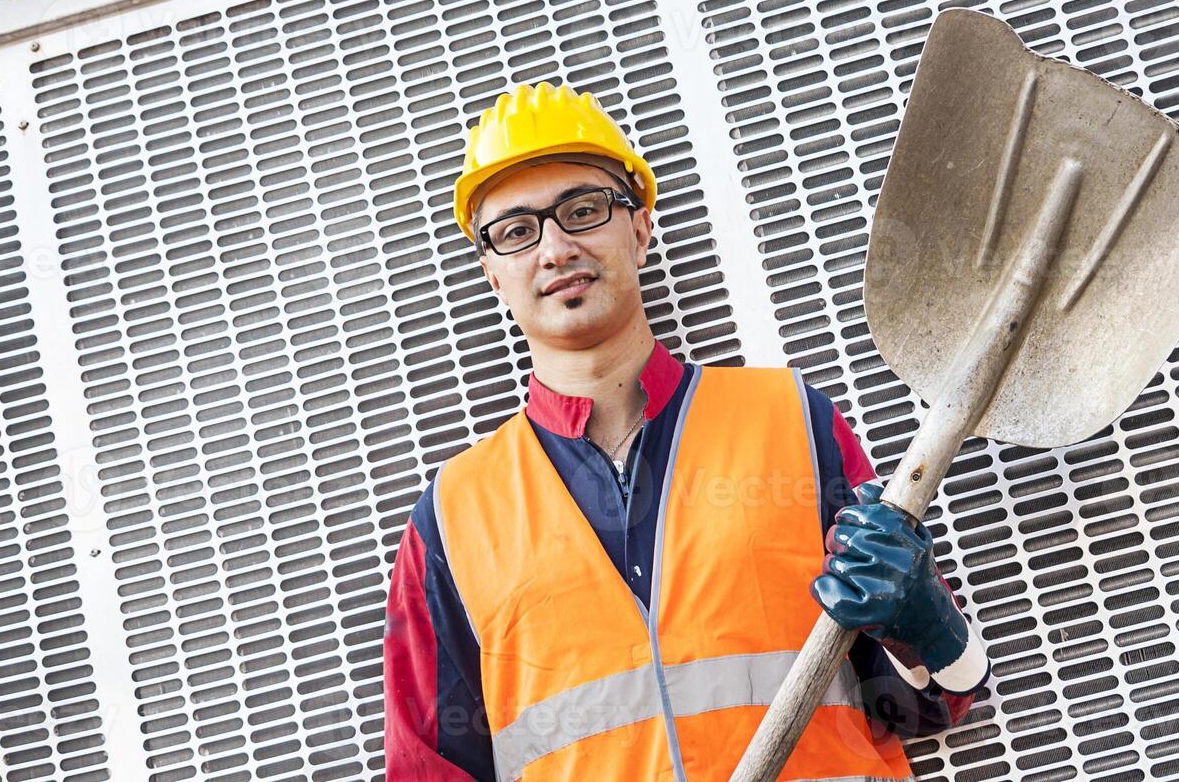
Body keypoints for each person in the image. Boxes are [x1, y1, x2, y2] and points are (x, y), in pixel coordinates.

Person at [383, 82, 989, 781]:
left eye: (583, 211)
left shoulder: (790, 422)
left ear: (639, 229)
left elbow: (940, 700)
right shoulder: (452, 522)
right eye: (517, 232)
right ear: (493, 271)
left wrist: (923, 624)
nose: (554, 248)